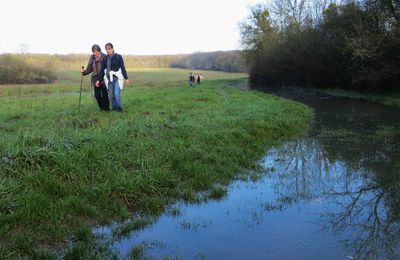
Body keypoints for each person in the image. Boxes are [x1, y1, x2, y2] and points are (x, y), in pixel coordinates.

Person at [100, 43, 129, 113]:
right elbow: (102, 69)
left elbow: (122, 67)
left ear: (112, 48)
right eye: (106, 49)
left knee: (116, 94)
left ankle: (119, 109)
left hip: (117, 78)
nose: (108, 51)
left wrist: (126, 78)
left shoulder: (118, 57)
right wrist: (99, 79)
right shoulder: (105, 58)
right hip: (109, 79)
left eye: (109, 49)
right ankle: (114, 109)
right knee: (111, 95)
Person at [81, 44, 109, 111]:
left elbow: (107, 69)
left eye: (97, 52)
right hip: (95, 78)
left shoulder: (105, 57)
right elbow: (89, 68)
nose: (95, 53)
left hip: (104, 78)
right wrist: (84, 72)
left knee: (104, 95)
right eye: (94, 52)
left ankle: (106, 109)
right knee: (97, 95)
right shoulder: (92, 57)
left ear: (100, 51)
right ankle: (102, 107)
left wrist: (102, 78)